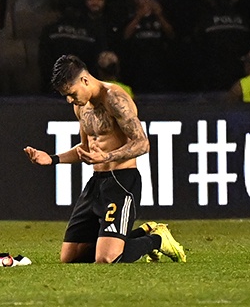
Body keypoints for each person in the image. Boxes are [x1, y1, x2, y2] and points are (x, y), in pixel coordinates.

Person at [23, 54, 186, 264]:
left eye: (71, 93)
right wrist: (52, 159)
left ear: (84, 80)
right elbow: (84, 148)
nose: (70, 100)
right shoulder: (80, 106)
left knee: (107, 258)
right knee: (71, 257)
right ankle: (142, 232)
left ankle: (157, 240)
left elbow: (143, 143)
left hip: (122, 181)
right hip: (96, 183)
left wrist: (107, 156)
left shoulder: (115, 99)